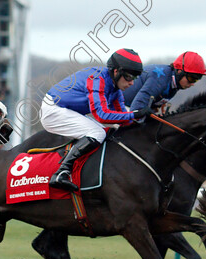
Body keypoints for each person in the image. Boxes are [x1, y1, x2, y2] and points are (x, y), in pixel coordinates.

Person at [41, 48, 145, 192]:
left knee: (109, 130)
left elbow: (124, 120)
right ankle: (61, 173)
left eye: (135, 78)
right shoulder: (97, 79)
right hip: (53, 109)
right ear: (116, 71)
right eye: (128, 77)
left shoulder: (115, 89)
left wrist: (143, 119)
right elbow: (101, 116)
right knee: (98, 133)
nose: (132, 83)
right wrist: (134, 114)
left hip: (67, 110)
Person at [124, 51, 206, 112]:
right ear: (179, 71)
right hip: (117, 107)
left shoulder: (174, 84)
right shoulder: (160, 80)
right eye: (191, 78)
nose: (192, 84)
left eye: (196, 80)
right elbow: (136, 109)